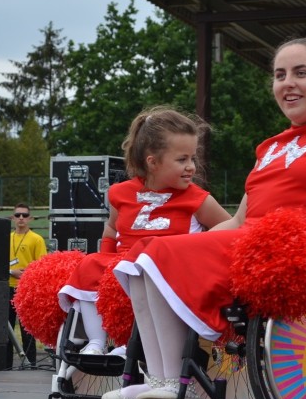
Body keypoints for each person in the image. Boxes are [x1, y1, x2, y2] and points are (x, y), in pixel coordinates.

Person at [104, 32, 306, 399]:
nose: (288, 83)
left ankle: (170, 385)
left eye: (302, 72)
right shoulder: (270, 146)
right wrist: (171, 248)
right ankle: (163, 381)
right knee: (143, 258)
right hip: (248, 244)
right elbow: (237, 221)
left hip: (293, 251)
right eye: (280, 74)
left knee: (161, 254)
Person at [57, 106, 230, 356]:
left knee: (143, 280)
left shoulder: (198, 199)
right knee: (89, 266)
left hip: (167, 269)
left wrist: (200, 250)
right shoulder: (122, 192)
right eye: (182, 159)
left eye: (193, 158)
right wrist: (106, 258)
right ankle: (96, 341)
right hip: (124, 262)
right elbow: (111, 228)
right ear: (153, 162)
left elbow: (228, 227)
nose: (191, 166)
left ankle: (132, 347)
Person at [7, 203, 47, 367]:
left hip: (26, 288)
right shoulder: (7, 237)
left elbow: (41, 264)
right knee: (8, 328)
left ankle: (31, 362)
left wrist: (27, 273)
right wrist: (12, 271)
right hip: (8, 286)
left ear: (30, 218)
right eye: (18, 215)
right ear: (12, 218)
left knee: (27, 329)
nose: (21, 218)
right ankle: (6, 362)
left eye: (24, 215)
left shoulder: (36, 239)